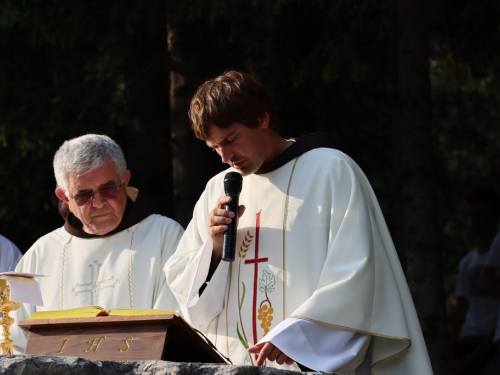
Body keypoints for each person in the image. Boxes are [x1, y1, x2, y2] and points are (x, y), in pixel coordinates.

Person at [165, 71, 432, 374]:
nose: (226, 157)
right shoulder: (218, 188)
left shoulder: (330, 170)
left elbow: (357, 273)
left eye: (231, 139)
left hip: (303, 364)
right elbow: (185, 290)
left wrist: (297, 336)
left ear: (262, 117)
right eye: (215, 148)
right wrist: (213, 248)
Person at [11, 134, 184, 353]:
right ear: (64, 196)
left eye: (108, 188)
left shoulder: (165, 237)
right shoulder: (39, 254)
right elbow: (13, 343)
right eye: (84, 194)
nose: (99, 202)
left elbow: (177, 331)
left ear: (125, 180)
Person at [450, 189, 500, 374]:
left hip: (492, 343)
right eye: (469, 215)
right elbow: (461, 311)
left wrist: (480, 353)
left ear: (496, 216)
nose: (473, 221)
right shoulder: (466, 263)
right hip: (467, 341)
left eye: (480, 214)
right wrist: (451, 350)